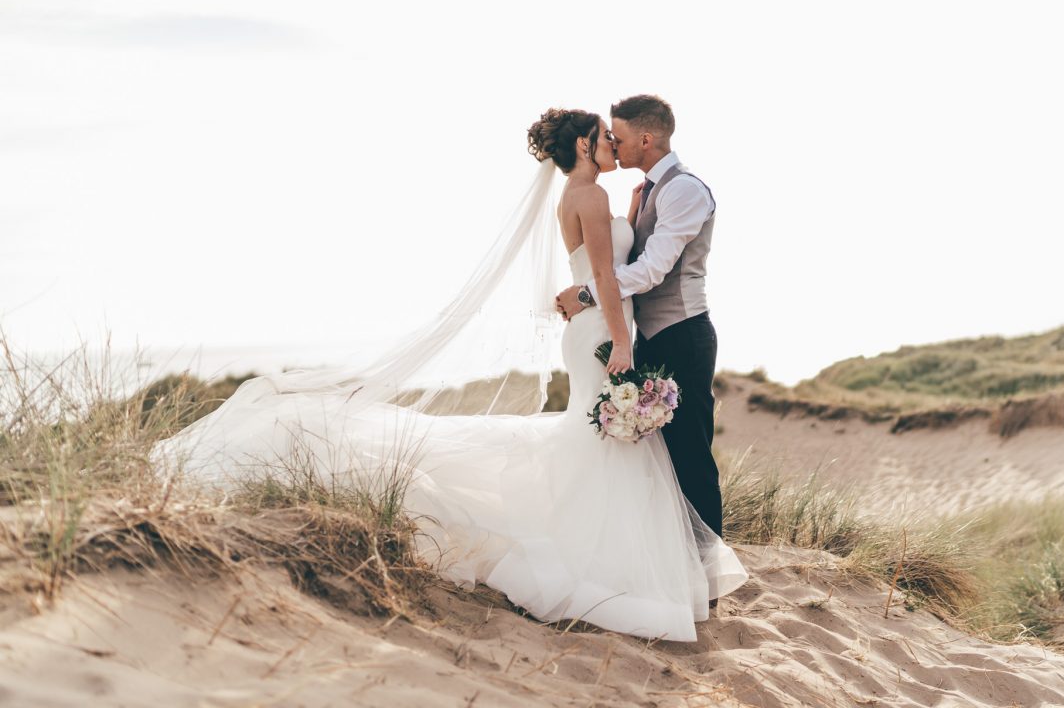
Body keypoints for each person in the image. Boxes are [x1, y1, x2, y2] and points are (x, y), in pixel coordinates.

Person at [153, 107, 746, 642]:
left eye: (618, 136)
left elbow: (623, 272)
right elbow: (612, 278)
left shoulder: (605, 193)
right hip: (603, 335)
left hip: (613, 329)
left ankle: (657, 565)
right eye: (605, 137)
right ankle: (635, 568)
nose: (613, 144)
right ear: (587, 147)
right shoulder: (590, 198)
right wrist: (619, 337)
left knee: (613, 445)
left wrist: (600, 308)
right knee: (608, 447)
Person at [556, 95, 724, 545]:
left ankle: (707, 570)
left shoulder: (685, 190)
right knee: (656, 460)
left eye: (620, 136)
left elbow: (652, 270)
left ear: (646, 139)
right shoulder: (646, 191)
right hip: (646, 335)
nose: (613, 141)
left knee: (690, 455)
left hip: (683, 334)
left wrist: (587, 294)